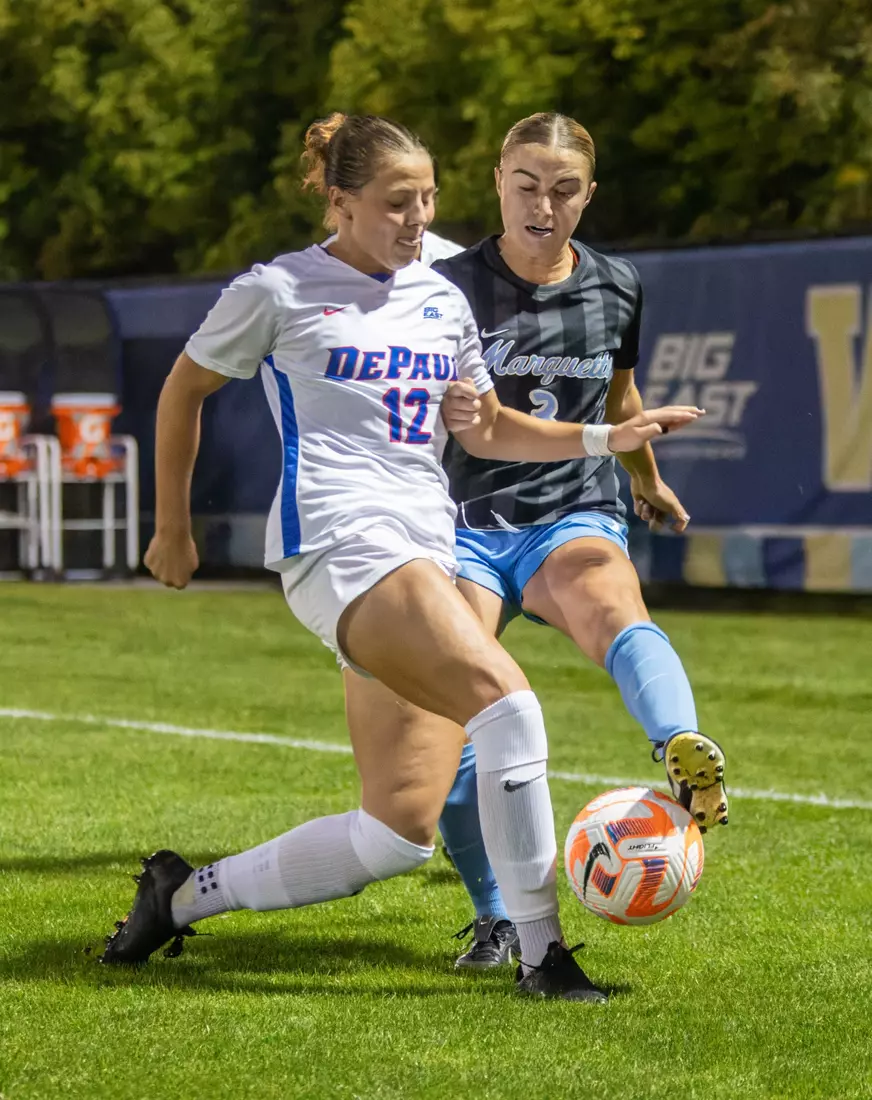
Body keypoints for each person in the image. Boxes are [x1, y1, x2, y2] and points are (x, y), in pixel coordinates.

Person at [99, 112, 701, 1001]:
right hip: (340, 542)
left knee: (396, 835)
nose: (417, 220)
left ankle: (179, 899)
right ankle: (544, 957)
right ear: (338, 202)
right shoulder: (277, 289)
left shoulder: (441, 294)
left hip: (419, 545)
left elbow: (492, 427)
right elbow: (184, 389)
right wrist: (171, 526)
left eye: (427, 200)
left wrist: (612, 435)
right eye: (395, 203)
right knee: (509, 708)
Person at [343, 112, 729, 971]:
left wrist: (645, 477)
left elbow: (620, 396)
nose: (542, 204)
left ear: (588, 197)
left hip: (572, 509)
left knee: (608, 598)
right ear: (497, 182)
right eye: (527, 185)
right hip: (463, 527)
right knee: (452, 715)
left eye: (563, 190)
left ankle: (680, 745)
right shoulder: (442, 285)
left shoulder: (618, 285)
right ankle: (497, 918)